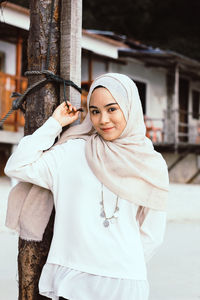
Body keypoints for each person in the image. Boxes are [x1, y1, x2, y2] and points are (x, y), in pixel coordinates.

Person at [5, 73, 169, 300]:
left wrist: (118, 267)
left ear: (130, 108)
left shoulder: (151, 164)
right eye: (95, 111)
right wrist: (54, 124)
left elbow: (152, 233)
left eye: (112, 109)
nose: (103, 120)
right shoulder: (72, 152)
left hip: (124, 284)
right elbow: (17, 166)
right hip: (73, 281)